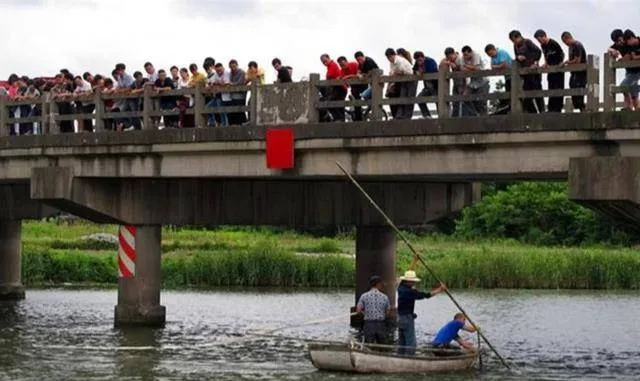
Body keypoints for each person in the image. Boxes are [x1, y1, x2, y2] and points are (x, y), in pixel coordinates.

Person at [396, 270, 446, 355]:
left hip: (399, 317)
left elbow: (402, 284)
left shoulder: (400, 288)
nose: (414, 283)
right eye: (413, 282)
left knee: (402, 340)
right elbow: (425, 295)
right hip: (407, 318)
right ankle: (410, 358)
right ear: (408, 281)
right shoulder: (409, 292)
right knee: (411, 341)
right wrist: (439, 290)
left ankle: (399, 356)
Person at [509, 30, 544, 113]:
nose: (514, 42)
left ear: (519, 37)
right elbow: (516, 56)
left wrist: (534, 62)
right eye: (512, 41)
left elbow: (538, 51)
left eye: (514, 40)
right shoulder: (515, 46)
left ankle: (542, 112)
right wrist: (518, 58)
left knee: (537, 92)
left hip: (533, 71)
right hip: (525, 73)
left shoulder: (527, 42)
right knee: (526, 95)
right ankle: (533, 114)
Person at [534, 29, 565, 113]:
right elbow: (545, 55)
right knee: (550, 87)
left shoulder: (553, 43)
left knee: (558, 87)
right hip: (550, 69)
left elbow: (562, 53)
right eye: (538, 40)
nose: (539, 42)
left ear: (544, 36)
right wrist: (546, 63)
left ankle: (558, 108)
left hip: (558, 69)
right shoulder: (543, 45)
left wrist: (561, 62)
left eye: (540, 39)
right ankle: (551, 108)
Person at [356, 275, 391, 345]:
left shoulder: (364, 296)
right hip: (381, 324)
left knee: (368, 344)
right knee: (382, 345)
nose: (382, 285)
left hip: (369, 324)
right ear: (378, 284)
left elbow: (358, 310)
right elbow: (388, 312)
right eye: (381, 284)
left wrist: (365, 314)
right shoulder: (384, 297)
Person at [460, 46, 490, 115]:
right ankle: (475, 114)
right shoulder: (463, 57)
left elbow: (476, 68)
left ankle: (484, 118)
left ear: (471, 52)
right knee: (465, 97)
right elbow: (462, 69)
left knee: (481, 102)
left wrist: (466, 66)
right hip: (473, 82)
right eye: (464, 55)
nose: (465, 57)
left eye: (467, 55)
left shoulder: (476, 55)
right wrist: (468, 67)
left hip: (483, 81)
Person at [386, 47, 415, 119]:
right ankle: (398, 116)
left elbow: (403, 71)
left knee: (407, 98)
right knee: (400, 97)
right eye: (388, 57)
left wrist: (395, 74)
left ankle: (405, 116)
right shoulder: (392, 63)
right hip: (400, 81)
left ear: (393, 55)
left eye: (390, 57)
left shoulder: (399, 60)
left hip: (409, 80)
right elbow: (392, 73)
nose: (389, 59)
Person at [561, 31, 587, 112]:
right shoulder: (570, 47)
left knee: (578, 93)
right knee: (573, 90)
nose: (565, 44)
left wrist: (567, 62)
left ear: (567, 38)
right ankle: (580, 109)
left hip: (580, 73)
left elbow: (577, 61)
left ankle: (583, 110)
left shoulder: (576, 45)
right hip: (574, 73)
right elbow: (572, 59)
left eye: (564, 42)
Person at [485, 44, 512, 110]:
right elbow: (492, 67)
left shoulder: (501, 52)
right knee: (508, 91)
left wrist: (496, 66)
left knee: (512, 91)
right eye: (489, 55)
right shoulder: (493, 57)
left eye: (491, 53)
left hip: (513, 74)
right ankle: (509, 107)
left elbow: (504, 65)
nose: (490, 56)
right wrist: (498, 66)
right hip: (507, 76)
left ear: (494, 49)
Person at [320, 54, 346, 122]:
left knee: (332, 101)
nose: (325, 63)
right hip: (337, 87)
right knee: (336, 103)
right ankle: (339, 119)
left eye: (325, 61)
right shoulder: (329, 66)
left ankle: (339, 119)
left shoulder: (333, 65)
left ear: (329, 58)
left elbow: (329, 76)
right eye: (323, 63)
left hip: (339, 87)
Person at [337, 56, 365, 121]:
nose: (342, 66)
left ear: (346, 61)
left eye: (343, 64)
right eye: (340, 65)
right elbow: (342, 79)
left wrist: (348, 76)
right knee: (355, 100)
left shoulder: (354, 64)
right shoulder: (342, 70)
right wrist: (339, 78)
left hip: (362, 84)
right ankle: (358, 118)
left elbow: (360, 75)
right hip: (354, 87)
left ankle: (360, 117)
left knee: (359, 99)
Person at [413, 51, 438, 118]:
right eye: (417, 60)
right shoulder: (417, 63)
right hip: (427, 87)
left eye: (420, 60)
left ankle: (441, 117)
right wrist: (416, 72)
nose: (419, 62)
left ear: (423, 57)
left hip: (436, 86)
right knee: (419, 99)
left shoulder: (430, 61)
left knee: (438, 101)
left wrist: (423, 71)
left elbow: (433, 70)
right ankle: (427, 116)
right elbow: (414, 70)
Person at [621, 30, 640, 111]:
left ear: (632, 38)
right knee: (633, 91)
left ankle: (629, 107)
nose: (627, 44)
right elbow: (632, 57)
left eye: (628, 41)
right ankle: (636, 109)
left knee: (624, 85)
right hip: (632, 71)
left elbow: (634, 57)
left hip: (636, 71)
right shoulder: (632, 47)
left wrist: (635, 57)